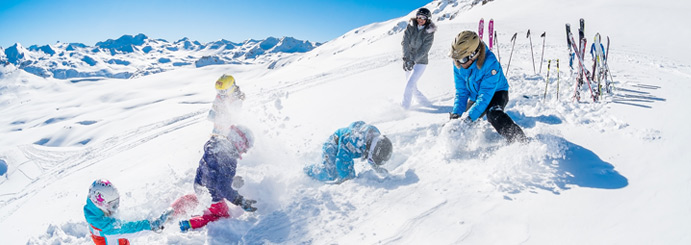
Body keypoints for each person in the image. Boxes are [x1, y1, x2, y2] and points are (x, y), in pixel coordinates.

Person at [449, 31, 527, 143]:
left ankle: (520, 141)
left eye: (462, 59)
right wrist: (456, 114)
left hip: (497, 92)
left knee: (493, 114)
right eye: (456, 58)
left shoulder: (490, 63)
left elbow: (485, 95)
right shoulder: (459, 63)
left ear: (474, 54)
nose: (459, 63)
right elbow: (461, 92)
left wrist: (469, 118)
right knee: (460, 120)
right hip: (476, 96)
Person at [179, 125, 258, 232]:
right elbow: (223, 188)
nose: (245, 151)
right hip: (211, 196)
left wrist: (232, 180)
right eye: (246, 147)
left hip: (199, 186)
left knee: (211, 203)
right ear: (239, 141)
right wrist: (240, 201)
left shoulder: (215, 143)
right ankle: (189, 224)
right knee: (223, 216)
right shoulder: (229, 158)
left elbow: (214, 171)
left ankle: (201, 208)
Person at [84, 179, 172, 245]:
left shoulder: (95, 213)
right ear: (100, 203)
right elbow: (128, 228)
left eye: (117, 202)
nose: (116, 207)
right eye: (113, 204)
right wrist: (153, 225)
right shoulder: (104, 226)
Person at [304, 121, 393, 183]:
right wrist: (348, 179)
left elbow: (374, 152)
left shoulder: (373, 138)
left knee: (338, 171)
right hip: (332, 146)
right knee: (330, 173)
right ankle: (307, 171)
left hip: (343, 147)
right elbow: (343, 160)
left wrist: (377, 168)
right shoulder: (353, 141)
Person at [401, 7, 437, 109]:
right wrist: (406, 59)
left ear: (427, 19)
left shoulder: (429, 32)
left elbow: (424, 50)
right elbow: (405, 42)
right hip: (409, 60)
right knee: (412, 87)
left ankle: (404, 109)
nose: (420, 19)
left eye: (423, 17)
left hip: (421, 62)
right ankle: (426, 103)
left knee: (409, 85)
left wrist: (412, 61)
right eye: (418, 17)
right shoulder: (411, 27)